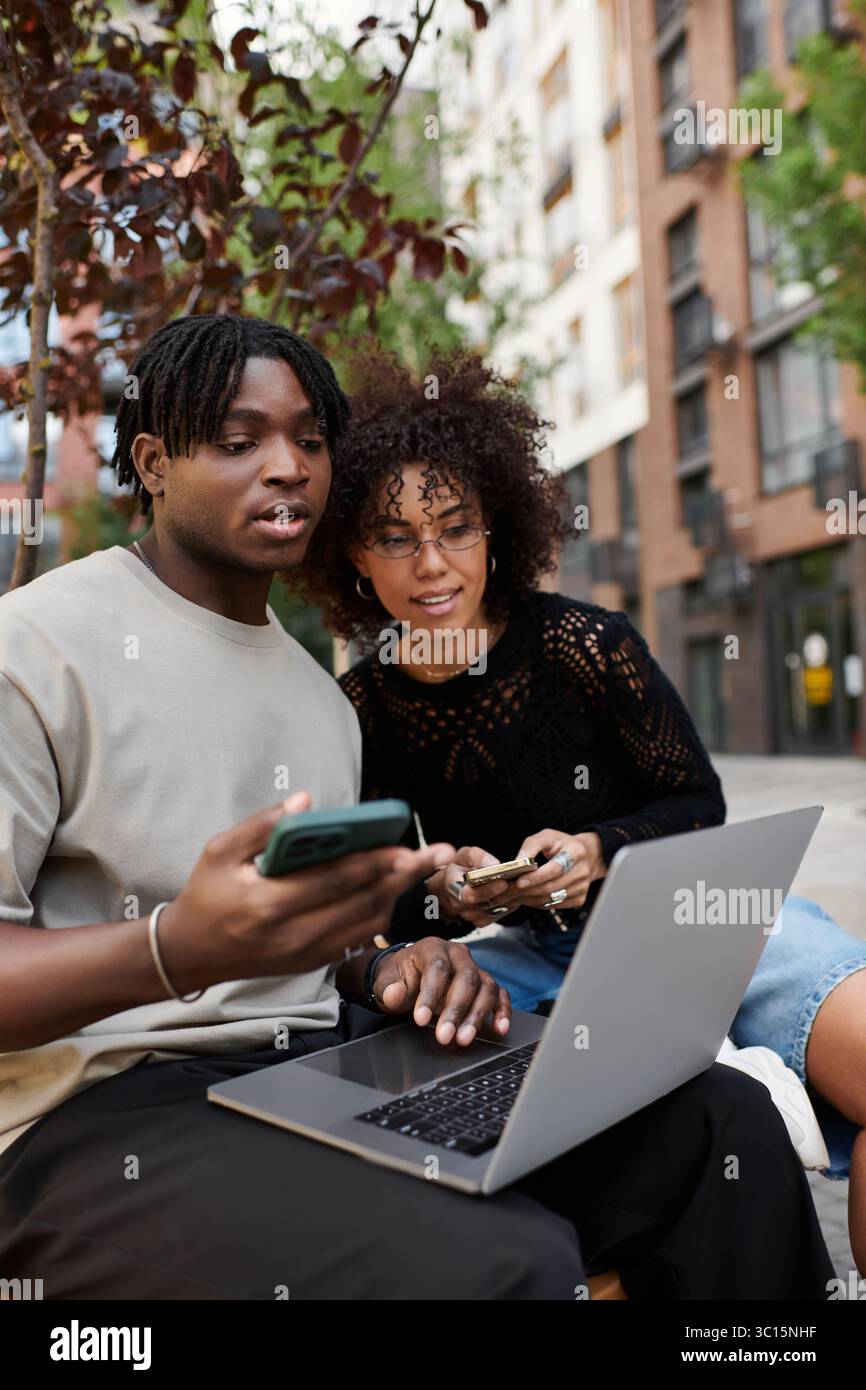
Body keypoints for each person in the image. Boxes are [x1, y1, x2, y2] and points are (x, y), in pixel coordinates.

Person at [0, 315, 834, 1301]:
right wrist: (178, 946)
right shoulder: (35, 647)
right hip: (97, 1117)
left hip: (318, 1063)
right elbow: (197, 951)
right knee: (506, 1259)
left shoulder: (318, 697)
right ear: (153, 461)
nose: (287, 467)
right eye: (239, 442)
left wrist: (397, 959)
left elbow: (308, 957)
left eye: (310, 440)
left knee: (718, 1124)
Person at [290, 346, 866, 1273]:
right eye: (395, 536)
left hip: (695, 924)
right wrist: (446, 898)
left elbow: (697, 802)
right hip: (526, 965)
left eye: (455, 527)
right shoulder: (361, 710)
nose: (430, 562)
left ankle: (752, 1065)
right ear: (355, 555)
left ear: (495, 531)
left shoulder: (585, 646)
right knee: (427, 1107)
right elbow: (383, 917)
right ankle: (732, 1094)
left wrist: (600, 847)